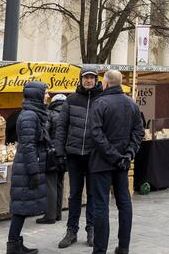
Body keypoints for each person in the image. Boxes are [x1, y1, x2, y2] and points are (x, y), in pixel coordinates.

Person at [89, 70, 144, 254]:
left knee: (101, 206)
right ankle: (123, 247)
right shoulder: (132, 104)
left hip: (102, 163)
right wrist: (127, 155)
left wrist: (117, 156)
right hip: (122, 163)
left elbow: (96, 134)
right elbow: (139, 132)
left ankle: (100, 250)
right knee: (124, 203)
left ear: (105, 84)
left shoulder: (100, 103)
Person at [54, 67, 102, 248]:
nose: (88, 80)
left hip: (93, 155)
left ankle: (91, 229)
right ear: (81, 80)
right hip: (73, 155)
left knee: (92, 194)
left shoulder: (102, 100)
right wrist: (59, 151)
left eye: (91, 78)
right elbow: (61, 127)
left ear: (96, 80)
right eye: (85, 78)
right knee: (74, 194)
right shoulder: (71, 99)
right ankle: (71, 230)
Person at [7, 81, 50, 254]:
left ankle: (16, 243)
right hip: (26, 168)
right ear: (37, 95)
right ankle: (13, 245)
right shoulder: (30, 116)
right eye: (45, 93)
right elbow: (28, 146)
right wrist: (33, 172)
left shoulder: (33, 114)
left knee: (22, 208)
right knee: (20, 209)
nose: (48, 96)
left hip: (27, 166)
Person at [37, 93, 66, 225]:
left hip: (52, 153)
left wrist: (48, 147)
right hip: (65, 154)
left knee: (50, 184)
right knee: (59, 183)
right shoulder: (68, 115)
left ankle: (50, 216)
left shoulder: (50, 114)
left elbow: (45, 133)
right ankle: (58, 213)